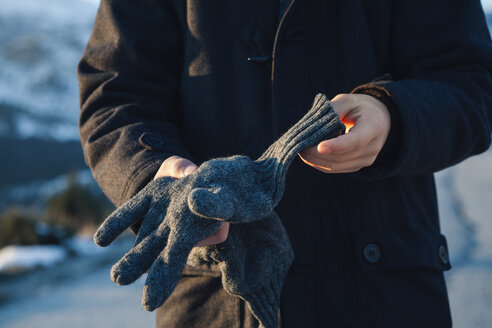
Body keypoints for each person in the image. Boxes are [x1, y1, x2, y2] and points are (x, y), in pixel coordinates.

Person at [77, 0, 492, 327]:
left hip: (385, 297)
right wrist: (156, 170)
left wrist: (393, 116)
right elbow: (115, 95)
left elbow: (472, 86)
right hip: (214, 302)